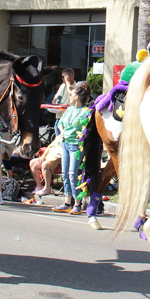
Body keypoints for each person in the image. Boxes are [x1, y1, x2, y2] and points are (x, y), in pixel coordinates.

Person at [51, 81, 96, 225]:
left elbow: (87, 130)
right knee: (64, 173)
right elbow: (60, 123)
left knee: (73, 173)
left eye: (71, 94)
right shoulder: (69, 109)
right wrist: (62, 132)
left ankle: (77, 203)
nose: (69, 97)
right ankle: (67, 201)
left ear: (77, 97)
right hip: (65, 143)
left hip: (76, 146)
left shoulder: (86, 112)